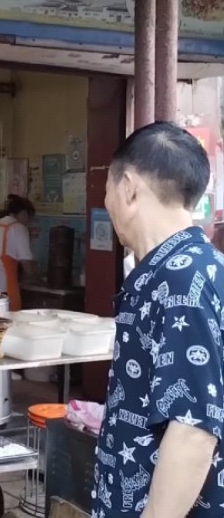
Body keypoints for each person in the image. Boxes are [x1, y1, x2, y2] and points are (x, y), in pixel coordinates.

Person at [94, 122, 223, 517]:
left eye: (107, 192)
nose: (107, 205)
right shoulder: (186, 267)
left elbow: (192, 432)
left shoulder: (181, 279)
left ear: (129, 187)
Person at [0, 194, 36, 311]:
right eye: (29, 217)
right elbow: (27, 263)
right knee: (8, 319)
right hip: (1, 286)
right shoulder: (18, 227)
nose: (29, 221)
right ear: (23, 213)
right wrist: (37, 278)